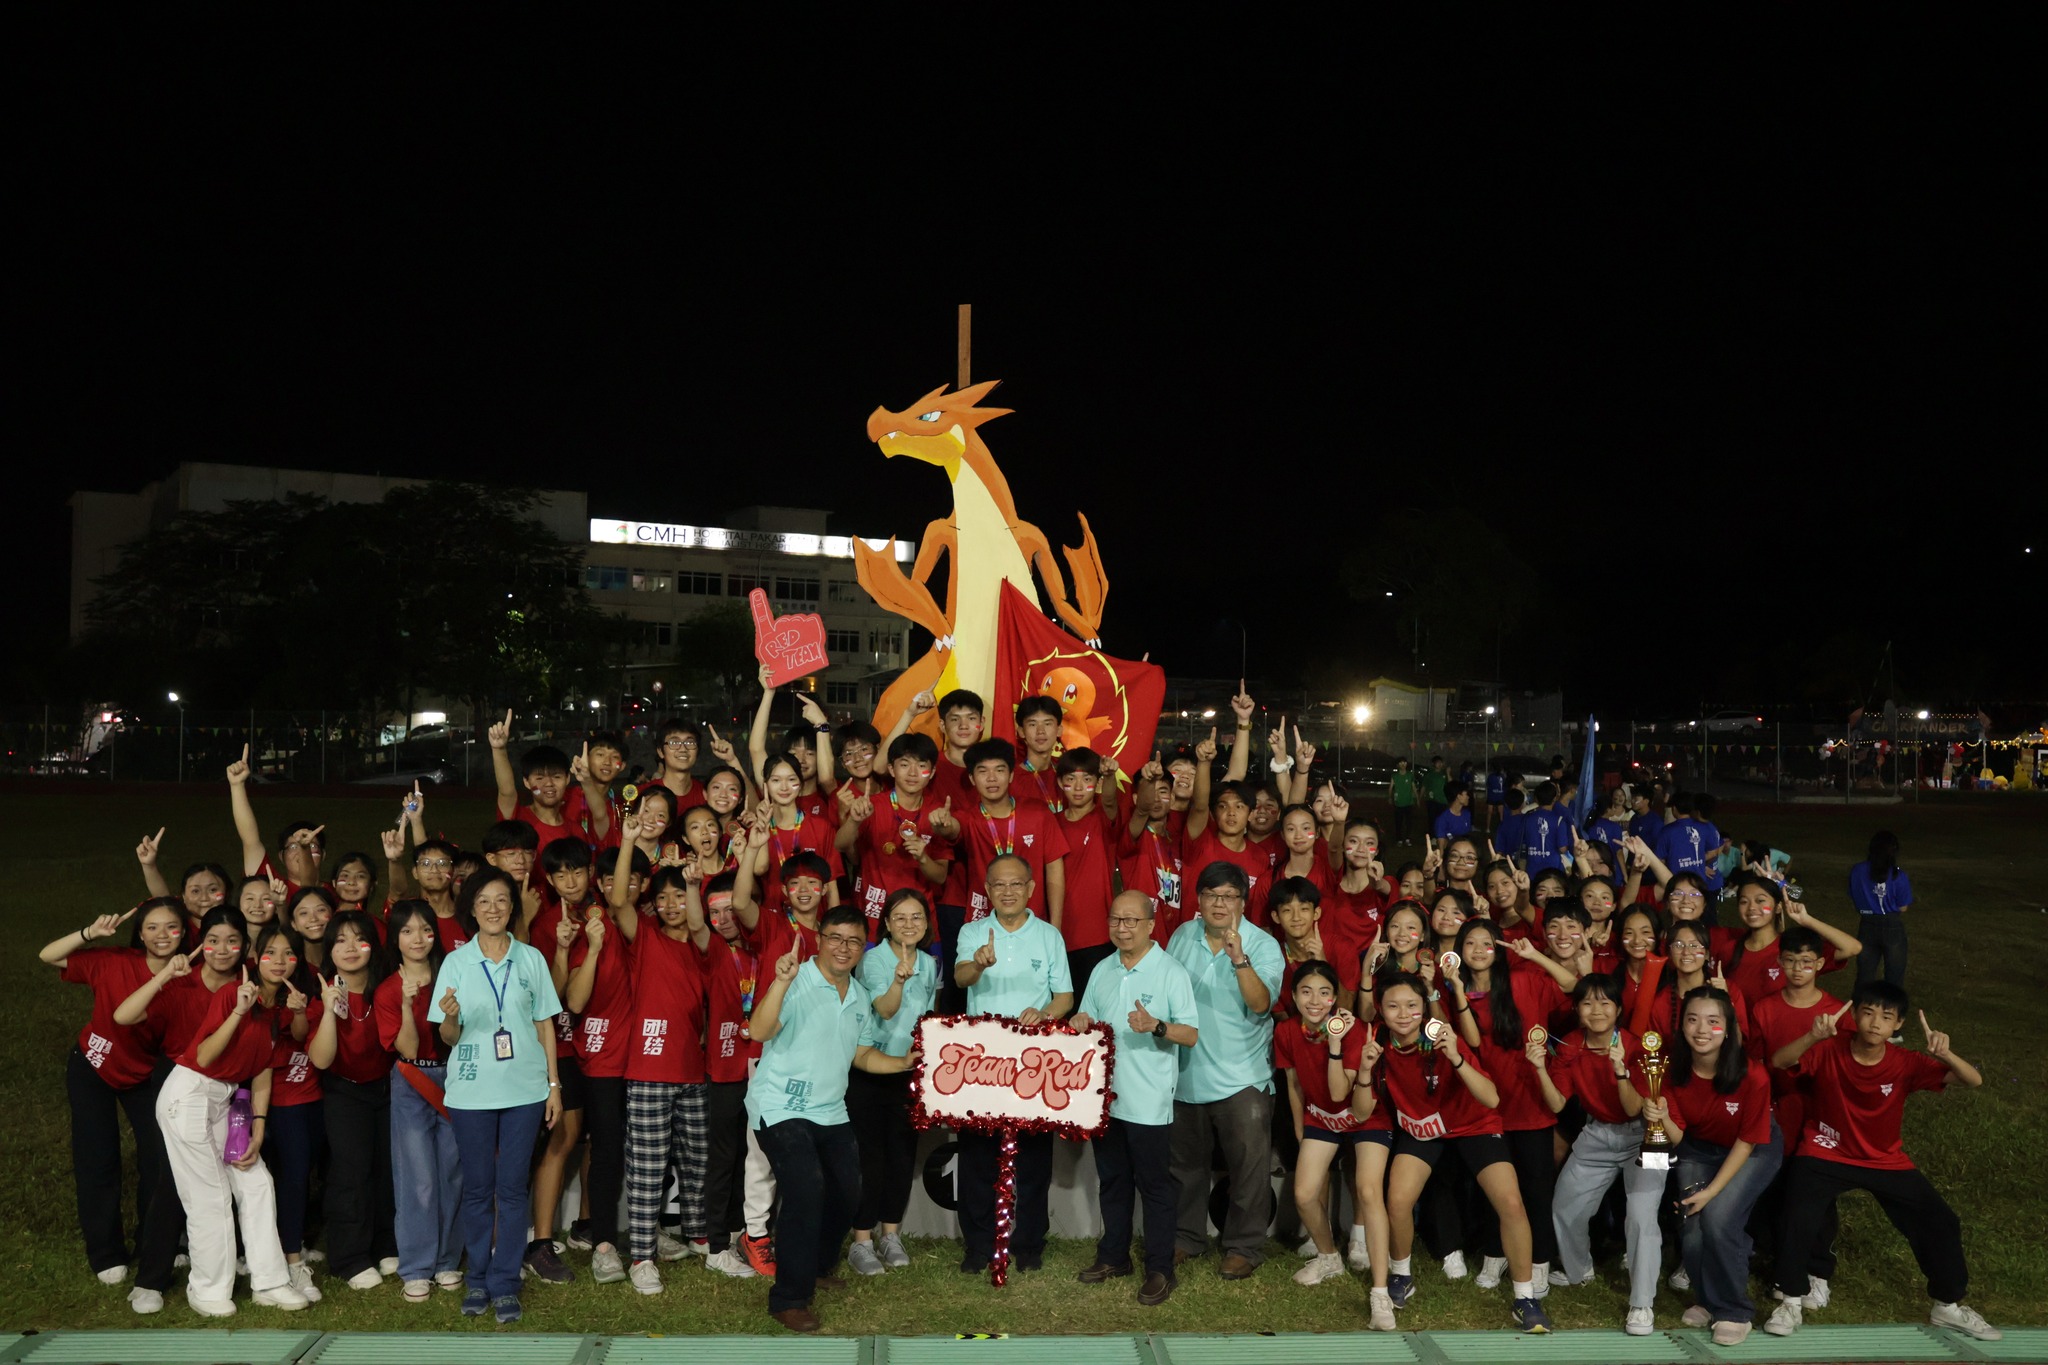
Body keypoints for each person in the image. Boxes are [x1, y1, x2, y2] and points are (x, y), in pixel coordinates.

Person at [1764, 983, 2000, 1342]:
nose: (1875, 1023)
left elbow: (1974, 1080)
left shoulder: (1906, 1062)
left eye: (1886, 1017)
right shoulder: (1828, 1050)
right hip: (1826, 1150)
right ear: (1855, 1015)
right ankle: (1791, 1301)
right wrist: (1812, 1036)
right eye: (1869, 1012)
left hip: (1884, 1159)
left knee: (1941, 1220)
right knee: (1797, 1214)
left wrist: (1947, 1055)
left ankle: (1947, 1305)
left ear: (1898, 1025)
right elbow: (1779, 1062)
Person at [746, 905, 918, 1333]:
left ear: (863, 948)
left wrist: (903, 1063)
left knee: (849, 1191)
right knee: (806, 1189)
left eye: (854, 941)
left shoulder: (859, 996)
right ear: (819, 939)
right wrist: (780, 984)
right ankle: (788, 1297)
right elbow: (758, 1031)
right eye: (835, 938)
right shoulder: (795, 977)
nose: (843, 948)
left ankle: (816, 1266)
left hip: (830, 1110)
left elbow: (861, 1055)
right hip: (781, 1106)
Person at [1371, 971, 1551, 1333]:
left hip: (1473, 1123)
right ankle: (1401, 1275)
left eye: (1412, 1005)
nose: (1403, 1014)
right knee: (1398, 1199)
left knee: (1511, 1203)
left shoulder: (1442, 1036)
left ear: (1424, 1008)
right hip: (1423, 1128)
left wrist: (1455, 1058)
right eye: (1393, 1006)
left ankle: (1525, 1296)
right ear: (1380, 1009)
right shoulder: (1377, 1041)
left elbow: (1491, 1097)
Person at [153, 911, 310, 1315]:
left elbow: (261, 1072)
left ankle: (270, 1283)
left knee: (256, 1182)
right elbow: (203, 1055)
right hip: (188, 1093)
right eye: (270, 952)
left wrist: (258, 1128)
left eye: (289, 953)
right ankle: (207, 1289)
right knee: (210, 1197)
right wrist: (239, 1012)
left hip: (224, 1101)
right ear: (255, 957)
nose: (279, 960)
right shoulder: (234, 994)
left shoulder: (276, 1010)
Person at [429, 868, 564, 1324]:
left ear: (513, 907)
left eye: (502, 900)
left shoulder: (531, 960)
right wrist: (450, 1018)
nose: (493, 908)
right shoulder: (456, 963)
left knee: (511, 1189)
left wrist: (553, 1086)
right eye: (484, 900)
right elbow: (448, 1038)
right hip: (471, 1092)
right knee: (478, 1189)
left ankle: (506, 1282)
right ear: (471, 907)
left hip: (526, 1090)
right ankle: (477, 1280)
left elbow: (545, 1024)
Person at [42, 897, 185, 1304]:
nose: (162, 935)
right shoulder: (113, 960)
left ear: (183, 932)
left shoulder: (188, 976)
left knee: (158, 1159)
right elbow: (48, 956)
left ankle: (153, 1242)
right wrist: (89, 933)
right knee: (98, 1159)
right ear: (139, 933)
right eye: (152, 927)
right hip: (93, 1066)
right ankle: (105, 1252)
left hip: (142, 1075)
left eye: (171, 927)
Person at [1071, 890, 1200, 1306]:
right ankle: (1114, 1256)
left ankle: (1160, 1268)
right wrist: (1079, 1020)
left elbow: (1191, 1034)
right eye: (1115, 920)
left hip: (1148, 1101)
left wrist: (1157, 1026)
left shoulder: (1170, 972)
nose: (1122, 929)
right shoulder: (1102, 969)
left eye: (1131, 921)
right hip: (1105, 1099)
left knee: (1155, 1188)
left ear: (1149, 925)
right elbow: (1087, 1017)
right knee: (1113, 1182)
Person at [952, 854, 1074, 1272]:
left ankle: (1028, 1246)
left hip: (1032, 1064)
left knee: (1034, 1158)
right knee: (976, 1158)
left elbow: (1064, 997)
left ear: (1031, 890)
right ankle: (979, 1246)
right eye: (999, 885)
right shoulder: (972, 932)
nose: (1007, 892)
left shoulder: (1049, 937)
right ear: (987, 890)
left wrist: (1046, 1015)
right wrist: (979, 963)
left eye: (1016, 884)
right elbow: (960, 978)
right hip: (981, 1063)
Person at [1166, 861, 1283, 1279]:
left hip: (1242, 1078)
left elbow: (1260, 1004)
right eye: (1212, 895)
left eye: (1229, 895)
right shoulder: (1182, 935)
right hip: (1185, 1075)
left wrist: (1239, 960)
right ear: (1198, 900)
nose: (1220, 903)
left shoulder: (1263, 945)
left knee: (1249, 1166)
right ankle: (1186, 1237)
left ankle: (1244, 1246)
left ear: (1243, 901)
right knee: (1184, 1167)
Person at [1654, 986, 1779, 1347]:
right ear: (1682, 1027)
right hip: (1699, 1149)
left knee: (1720, 1217)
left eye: (1713, 1021)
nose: (1701, 1029)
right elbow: (1680, 1139)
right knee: (1691, 1224)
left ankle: (1735, 1311)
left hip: (1752, 1148)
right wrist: (1662, 1117)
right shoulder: (1672, 1070)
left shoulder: (1752, 1075)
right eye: (1692, 1020)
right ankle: (1709, 1301)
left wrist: (1711, 1191)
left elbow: (1748, 1141)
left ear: (1728, 1028)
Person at [1538, 972, 1660, 1335]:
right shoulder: (1571, 1046)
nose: (1596, 1010)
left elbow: (1634, 1108)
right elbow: (1558, 1102)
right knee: (1564, 1205)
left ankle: (1642, 1304)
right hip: (1597, 1134)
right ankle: (1579, 1271)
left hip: (1643, 1136)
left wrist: (1621, 1070)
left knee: (1641, 1216)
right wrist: (1537, 1068)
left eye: (1604, 1002)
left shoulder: (1637, 1047)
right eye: (1587, 1002)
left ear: (1618, 1009)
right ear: (1576, 1009)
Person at [610, 862, 710, 1294]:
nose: (672, 906)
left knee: (698, 1161)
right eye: (663, 897)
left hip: (696, 1071)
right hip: (649, 1073)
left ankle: (700, 1234)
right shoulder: (645, 936)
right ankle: (642, 1256)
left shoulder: (706, 944)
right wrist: (629, 838)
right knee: (648, 1168)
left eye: (681, 896)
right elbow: (618, 901)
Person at [848, 890, 939, 1276]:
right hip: (872, 1069)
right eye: (900, 917)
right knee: (870, 1160)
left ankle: (890, 1235)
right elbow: (884, 1009)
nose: (908, 924)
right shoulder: (873, 960)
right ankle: (862, 1242)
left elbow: (931, 1016)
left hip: (910, 1073)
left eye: (916, 917)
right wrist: (899, 980)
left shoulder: (931, 964)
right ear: (885, 923)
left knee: (902, 1158)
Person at [306, 909, 399, 1290]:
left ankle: (385, 1243)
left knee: (387, 1169)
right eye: (339, 940)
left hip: (387, 1086)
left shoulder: (387, 988)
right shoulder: (322, 991)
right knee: (351, 1170)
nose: (349, 947)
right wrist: (329, 1009)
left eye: (358, 938)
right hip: (344, 1090)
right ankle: (349, 1257)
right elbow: (322, 1059)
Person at [377, 900, 464, 1302]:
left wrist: (450, 1013)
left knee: (451, 1174)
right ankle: (416, 1267)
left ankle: (447, 1261)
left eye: (425, 930)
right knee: (419, 1180)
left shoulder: (454, 975)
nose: (417, 939)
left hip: (456, 1078)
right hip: (412, 1082)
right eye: (408, 931)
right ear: (396, 938)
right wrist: (408, 1006)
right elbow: (408, 1049)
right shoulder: (388, 989)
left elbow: (458, 1036)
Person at [1278, 963, 1369, 1289]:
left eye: (1324, 992)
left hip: (1360, 1117)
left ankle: (1360, 1238)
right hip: (1319, 1118)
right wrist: (1302, 1128)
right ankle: (1329, 1257)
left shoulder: (1352, 1029)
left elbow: (1343, 1092)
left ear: (1335, 997)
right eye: (1306, 991)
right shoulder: (1286, 1031)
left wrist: (1335, 1041)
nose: (1314, 1000)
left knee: (1362, 1180)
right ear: (1293, 995)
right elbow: (1293, 1084)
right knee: (1304, 1195)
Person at [1849, 830, 1911, 994]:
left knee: (1864, 976)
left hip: (1867, 924)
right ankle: (1890, 1013)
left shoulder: (1857, 870)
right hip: (1892, 926)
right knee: (1894, 977)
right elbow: (1903, 907)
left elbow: (1854, 896)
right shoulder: (1898, 875)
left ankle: (1858, 1012)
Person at [1388, 759, 1419, 845]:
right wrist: (1390, 797)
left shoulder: (1410, 775)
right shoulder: (1395, 776)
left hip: (1409, 802)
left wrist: (1417, 798)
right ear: (1398, 765)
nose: (1403, 765)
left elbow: (1413, 787)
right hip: (1398, 803)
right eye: (1401, 763)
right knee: (1398, 822)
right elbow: (1391, 787)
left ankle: (1408, 838)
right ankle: (1399, 839)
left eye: (1404, 763)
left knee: (1409, 822)